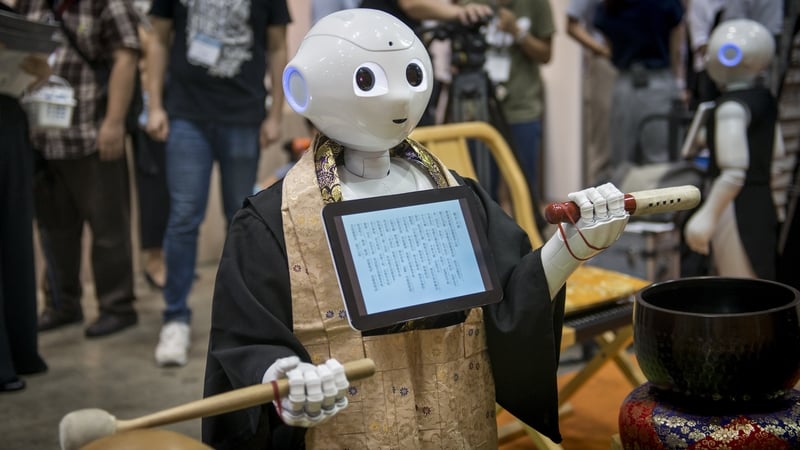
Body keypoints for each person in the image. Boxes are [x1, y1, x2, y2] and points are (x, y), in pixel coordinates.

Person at [202, 9, 631, 448]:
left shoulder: (456, 192)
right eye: (368, 80)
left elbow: (509, 299)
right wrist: (285, 380)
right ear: (300, 88)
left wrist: (570, 247)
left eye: (411, 74)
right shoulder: (274, 222)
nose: (398, 100)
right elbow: (245, 339)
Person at [145, 0, 291, 367]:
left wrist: (276, 113)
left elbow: (276, 46)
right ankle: (175, 318)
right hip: (186, 115)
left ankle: (244, 319)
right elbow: (159, 40)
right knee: (183, 216)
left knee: (242, 221)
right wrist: (155, 105)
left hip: (244, 114)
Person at [17, 0, 141, 338]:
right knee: (54, 230)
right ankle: (61, 304)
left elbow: (126, 58)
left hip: (92, 133)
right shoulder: (31, 3)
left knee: (108, 229)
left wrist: (114, 122)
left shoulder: (107, 4)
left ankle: (117, 306)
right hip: (41, 136)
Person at [685, 19, 782, 279]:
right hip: (762, 199)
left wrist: (707, 215)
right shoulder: (765, 99)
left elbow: (733, 173)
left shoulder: (731, 108)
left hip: (734, 204)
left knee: (738, 277)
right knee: (760, 272)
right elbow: (776, 152)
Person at [0, 2, 49, 392]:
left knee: (16, 239)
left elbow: (32, 72)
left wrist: (36, 71)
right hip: (9, 122)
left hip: (9, 118)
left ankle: (14, 355)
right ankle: (18, 354)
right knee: (14, 238)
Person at [594, 0, 684, 166]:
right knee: (660, 160)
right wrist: (679, 82)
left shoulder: (608, 7)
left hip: (624, 83)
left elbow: (608, 46)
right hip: (659, 82)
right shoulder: (665, 4)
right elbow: (676, 48)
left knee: (623, 162)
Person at [566, 0, 616, 186]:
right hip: (606, 65)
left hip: (643, 64)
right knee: (602, 148)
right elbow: (570, 24)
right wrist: (601, 49)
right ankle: (596, 207)